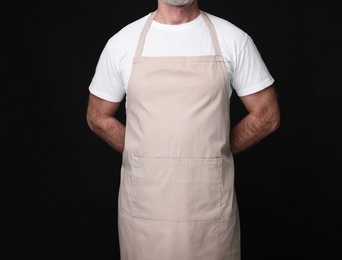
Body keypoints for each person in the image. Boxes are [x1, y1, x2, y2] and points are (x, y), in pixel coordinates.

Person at [86, 0, 280, 259]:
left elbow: (267, 115)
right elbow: (97, 115)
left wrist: (213, 151)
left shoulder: (233, 40)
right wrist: (142, 153)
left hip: (209, 211)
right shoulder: (123, 43)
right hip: (146, 209)